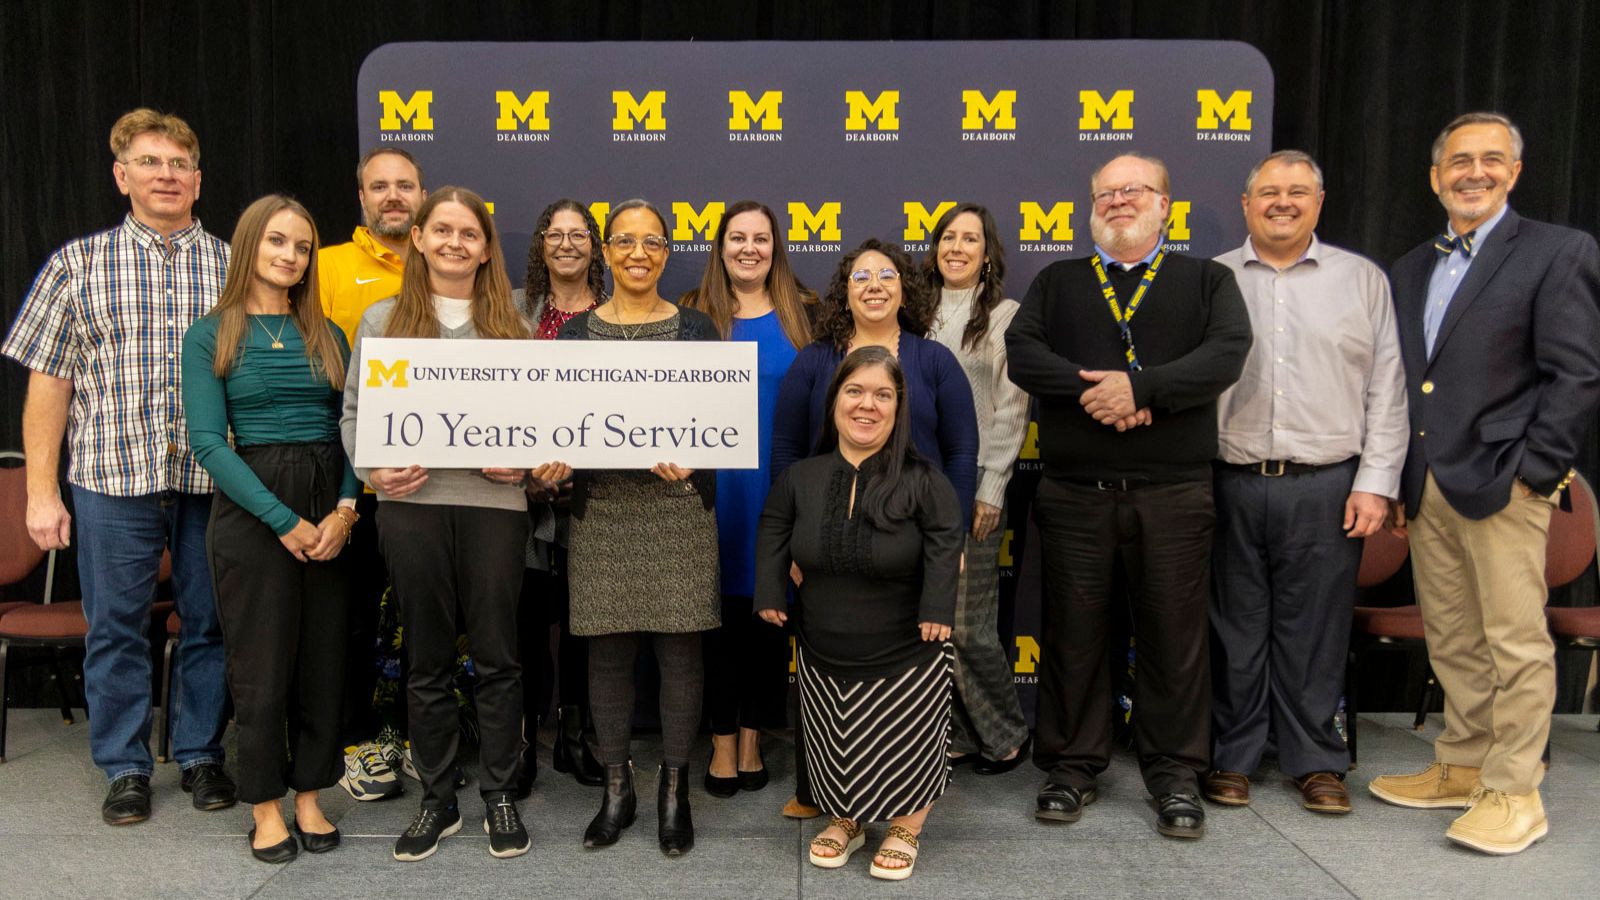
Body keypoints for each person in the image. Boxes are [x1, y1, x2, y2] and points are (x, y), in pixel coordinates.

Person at [1368, 112, 1600, 855]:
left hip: (1507, 481)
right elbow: (1411, 385)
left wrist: (1537, 472)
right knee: (1457, 638)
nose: (1474, 172)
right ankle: (1464, 765)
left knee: (1514, 641)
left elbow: (1577, 373)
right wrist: (1405, 482)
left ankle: (1514, 790)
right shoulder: (1410, 268)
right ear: (1436, 178)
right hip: (1429, 485)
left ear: (1515, 171)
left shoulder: (1556, 252)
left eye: (1490, 160)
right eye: (1458, 161)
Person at [1006, 152, 1251, 839]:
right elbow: (1022, 351)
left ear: (1164, 204)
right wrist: (1100, 392)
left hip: (1173, 493)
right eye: (1105, 194)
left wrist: (1142, 389)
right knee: (1074, 636)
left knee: (1175, 639)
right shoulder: (1058, 281)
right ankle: (1072, 766)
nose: (1117, 201)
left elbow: (1228, 352)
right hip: (1075, 494)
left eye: (1132, 190)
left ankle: (1174, 772)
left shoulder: (1207, 280)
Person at [2, 108, 234, 825]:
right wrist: (42, 492)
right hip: (110, 479)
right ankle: (126, 767)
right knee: (115, 628)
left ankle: (200, 755)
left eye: (179, 165)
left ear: (198, 180)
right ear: (121, 175)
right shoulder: (77, 264)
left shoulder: (235, 264)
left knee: (212, 624)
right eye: (151, 162)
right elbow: (49, 383)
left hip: (212, 480)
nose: (166, 175)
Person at [1207, 151, 1408, 815]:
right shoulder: (1212, 279)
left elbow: (1388, 388)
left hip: (1328, 484)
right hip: (1229, 480)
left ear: (1319, 203)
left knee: (1316, 632)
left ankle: (1316, 761)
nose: (1282, 202)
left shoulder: (1362, 281)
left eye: (1298, 192)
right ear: (1246, 205)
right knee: (1234, 630)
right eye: (1269, 192)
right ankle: (1232, 758)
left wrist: (1376, 483)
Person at [340, 187, 533, 861]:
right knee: (425, 657)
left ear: (486, 248)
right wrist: (372, 472)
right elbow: (355, 414)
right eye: (442, 230)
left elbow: (545, 424)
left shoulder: (516, 322)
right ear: (417, 238)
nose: (456, 242)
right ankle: (439, 797)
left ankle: (500, 793)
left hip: (495, 508)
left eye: (469, 234)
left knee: (498, 656)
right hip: (411, 505)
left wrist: (532, 464)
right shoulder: (382, 320)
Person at [771, 237, 978, 820]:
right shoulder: (815, 358)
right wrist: (792, 537)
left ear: (903, 288)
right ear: (846, 290)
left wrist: (951, 536)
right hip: (828, 540)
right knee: (826, 660)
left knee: (904, 667)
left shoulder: (933, 360)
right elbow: (787, 446)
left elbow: (963, 452)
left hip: (907, 540)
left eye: (886, 275)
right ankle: (825, 791)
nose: (874, 286)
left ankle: (903, 801)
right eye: (861, 277)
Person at [182, 195, 358, 862]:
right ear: (250, 245)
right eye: (277, 241)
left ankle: (310, 797)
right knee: (261, 669)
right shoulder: (211, 334)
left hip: (328, 505)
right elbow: (208, 444)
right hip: (255, 510)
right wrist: (286, 522)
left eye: (303, 247)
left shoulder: (328, 334)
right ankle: (264, 807)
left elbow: (352, 434)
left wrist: (344, 511)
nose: (290, 256)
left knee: (322, 663)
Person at [755, 346, 962, 881]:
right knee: (837, 740)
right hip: (824, 647)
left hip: (908, 650)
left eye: (882, 395)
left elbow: (945, 538)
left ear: (898, 408)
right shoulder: (801, 476)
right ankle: (847, 818)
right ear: (834, 402)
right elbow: (774, 528)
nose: (866, 405)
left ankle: (904, 826)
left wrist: (939, 603)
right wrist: (771, 591)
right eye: (855, 391)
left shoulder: (923, 478)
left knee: (904, 740)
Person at [554, 199, 721, 856]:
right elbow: (558, 423)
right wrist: (552, 459)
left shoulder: (696, 329)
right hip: (602, 511)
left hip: (678, 511)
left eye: (652, 242)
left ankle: (674, 793)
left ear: (666, 252)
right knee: (607, 654)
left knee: (681, 655)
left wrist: (697, 451)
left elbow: (717, 424)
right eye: (624, 241)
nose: (638, 254)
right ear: (606, 251)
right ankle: (616, 789)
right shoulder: (574, 336)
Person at [680, 200, 816, 798]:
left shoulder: (803, 315)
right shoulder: (691, 314)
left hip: (779, 487)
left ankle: (755, 735)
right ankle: (722, 741)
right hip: (708, 491)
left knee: (769, 614)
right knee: (714, 619)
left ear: (775, 246)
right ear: (720, 246)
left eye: (760, 238)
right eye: (737, 238)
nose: (749, 249)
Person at [319, 146, 427, 802]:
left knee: (426, 619)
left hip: (432, 485)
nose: (393, 195)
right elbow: (330, 383)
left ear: (422, 194)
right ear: (361, 197)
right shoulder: (327, 265)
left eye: (405, 185)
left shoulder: (448, 262)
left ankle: (419, 738)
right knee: (352, 620)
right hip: (354, 484)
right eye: (379, 186)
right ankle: (358, 744)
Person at [924, 203, 1032, 775]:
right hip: (916, 494)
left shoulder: (1005, 316)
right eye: (948, 237)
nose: (957, 248)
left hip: (973, 490)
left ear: (987, 253)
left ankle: (1008, 734)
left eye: (970, 239)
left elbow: (1013, 407)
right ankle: (962, 733)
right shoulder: (915, 312)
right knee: (929, 626)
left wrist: (992, 485)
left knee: (967, 627)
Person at [512, 198, 608, 792]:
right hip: (519, 496)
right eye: (556, 233)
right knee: (523, 622)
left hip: (592, 495)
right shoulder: (513, 312)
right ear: (541, 243)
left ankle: (575, 738)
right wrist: (528, 471)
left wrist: (584, 467)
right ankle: (522, 742)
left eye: (580, 234)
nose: (568, 243)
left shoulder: (611, 316)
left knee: (584, 623)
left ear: (594, 245)